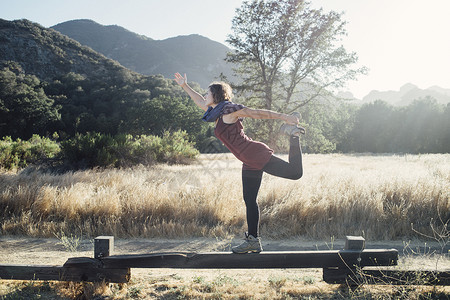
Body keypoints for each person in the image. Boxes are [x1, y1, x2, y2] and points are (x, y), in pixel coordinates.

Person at [174, 73, 304, 254]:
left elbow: (254, 113)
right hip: (248, 160)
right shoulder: (216, 113)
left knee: (295, 173)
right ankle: (253, 240)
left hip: (254, 154)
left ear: (217, 95)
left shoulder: (228, 110)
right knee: (250, 200)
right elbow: (198, 101)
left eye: (208, 93)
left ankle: (294, 135)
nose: (205, 96)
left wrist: (284, 117)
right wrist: (184, 86)